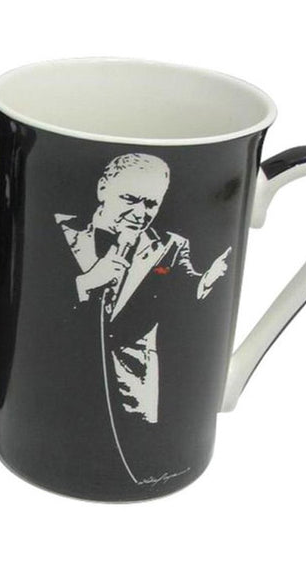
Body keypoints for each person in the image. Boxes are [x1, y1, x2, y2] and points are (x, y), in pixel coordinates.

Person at [56, 153, 230, 427]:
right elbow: (36, 301)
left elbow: (189, 289)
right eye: (130, 199)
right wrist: (86, 282)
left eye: (151, 204)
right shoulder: (61, 230)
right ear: (103, 188)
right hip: (62, 374)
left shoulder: (171, 247)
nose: (140, 214)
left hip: (131, 382)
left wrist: (209, 279)